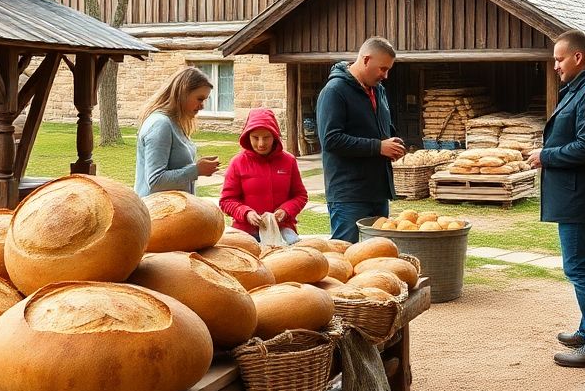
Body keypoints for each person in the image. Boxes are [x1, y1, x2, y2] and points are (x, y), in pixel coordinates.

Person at [528, 30, 585, 369]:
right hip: (581, 194)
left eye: (559, 59)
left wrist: (545, 156)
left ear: (578, 58)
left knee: (579, 267)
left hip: (580, 196)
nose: (555, 66)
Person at [316, 37, 406, 243]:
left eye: (388, 69)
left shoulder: (378, 90)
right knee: (347, 255)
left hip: (377, 191)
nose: (386, 75)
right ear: (366, 59)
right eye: (382, 69)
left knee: (378, 256)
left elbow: (380, 128)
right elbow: (331, 140)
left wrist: (392, 143)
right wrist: (378, 147)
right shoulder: (334, 91)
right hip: (349, 195)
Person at [219, 108, 308, 245]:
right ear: (247, 136)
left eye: (266, 137)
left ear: (275, 136)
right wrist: (246, 213)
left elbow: (300, 196)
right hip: (246, 231)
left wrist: (286, 210)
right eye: (255, 138)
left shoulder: (288, 161)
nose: (261, 144)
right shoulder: (237, 162)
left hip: (282, 229)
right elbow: (226, 201)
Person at [135, 66, 220, 197]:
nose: (203, 106)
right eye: (200, 99)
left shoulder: (174, 123)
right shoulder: (160, 124)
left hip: (171, 212)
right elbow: (155, 181)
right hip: (156, 213)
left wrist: (198, 167)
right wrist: (196, 170)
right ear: (183, 93)